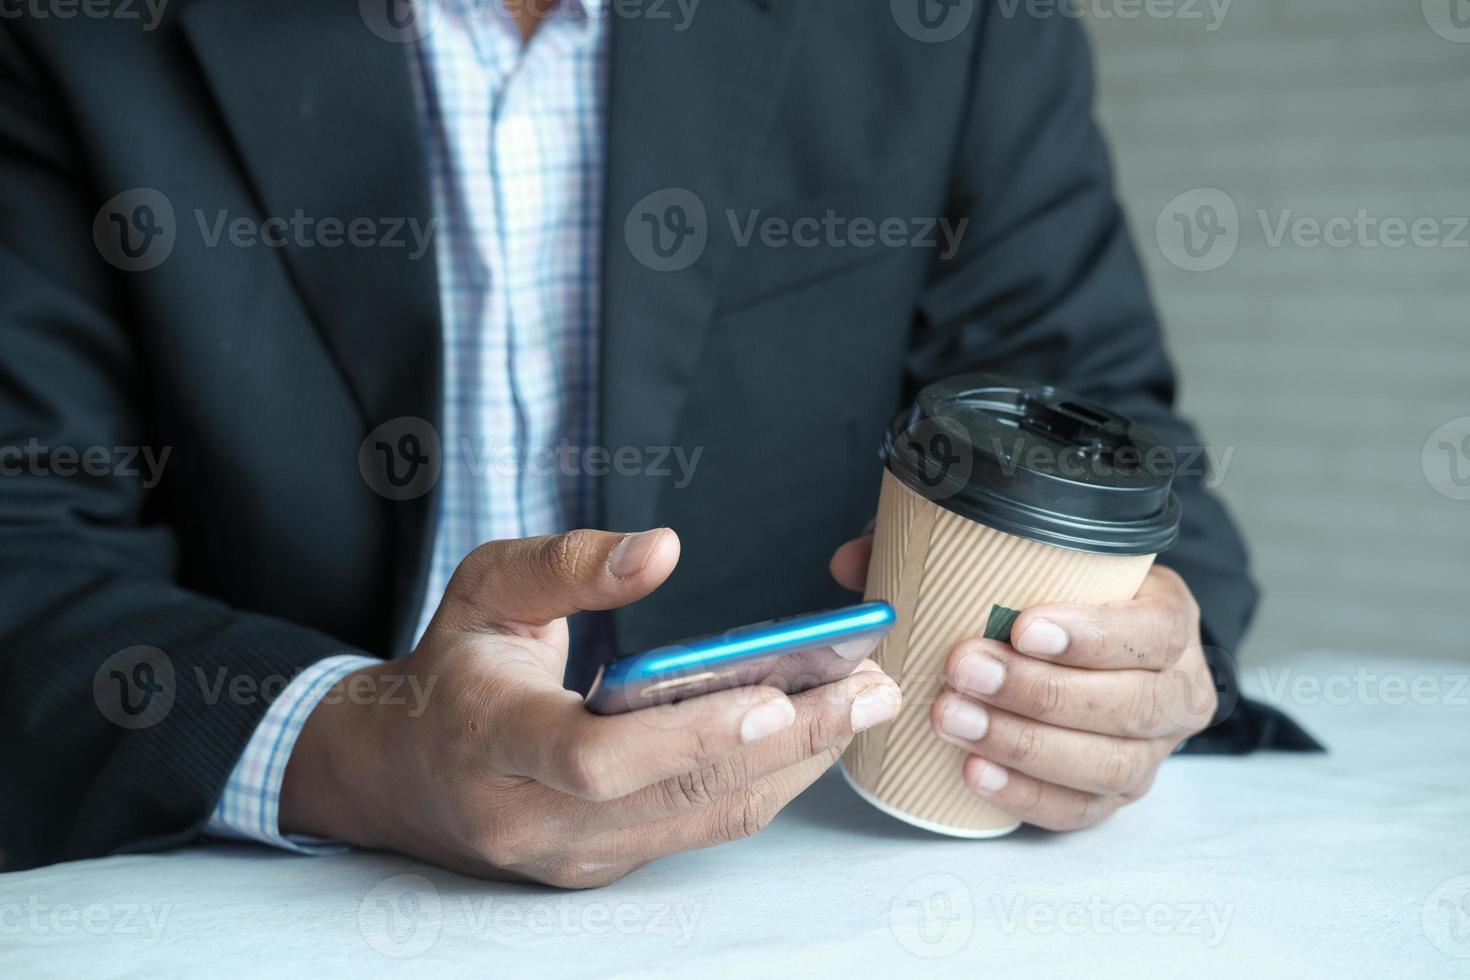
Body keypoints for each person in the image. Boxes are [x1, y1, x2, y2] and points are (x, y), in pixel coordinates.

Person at [0, 1, 1311, 886]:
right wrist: (358, 749)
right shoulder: (72, 33)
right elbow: (21, 547)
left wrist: (1118, 672)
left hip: (836, 887)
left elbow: (1111, 448)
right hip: (230, 902)